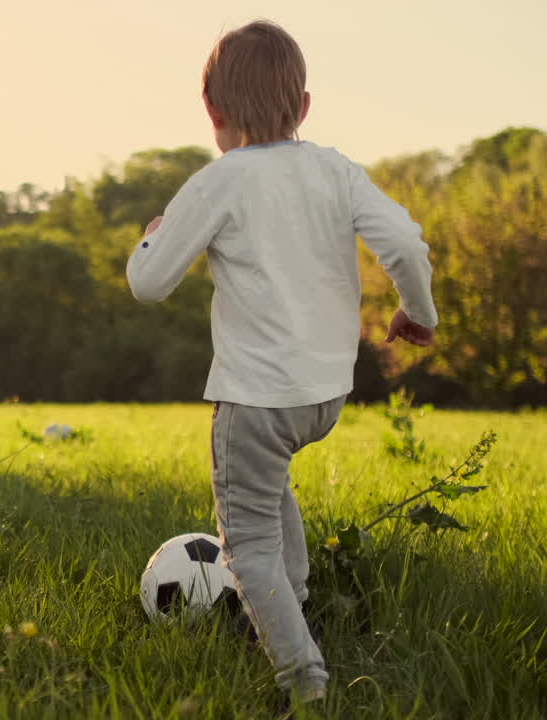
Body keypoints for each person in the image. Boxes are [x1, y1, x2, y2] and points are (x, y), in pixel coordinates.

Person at [125, 20, 438, 708]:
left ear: (212, 111)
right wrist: (419, 312)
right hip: (324, 395)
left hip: (256, 401)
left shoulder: (220, 182)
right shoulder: (335, 169)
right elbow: (406, 247)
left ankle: (305, 681)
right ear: (303, 106)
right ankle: (293, 608)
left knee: (248, 546)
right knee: (270, 494)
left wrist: (149, 242)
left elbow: (149, 284)